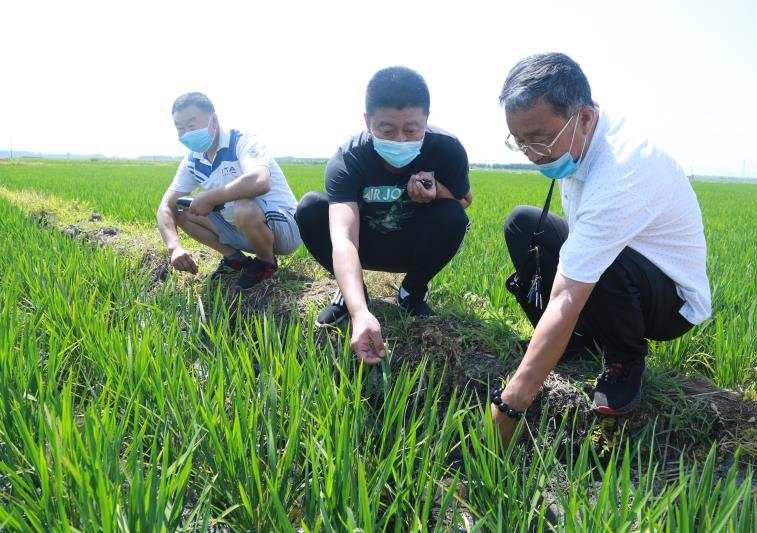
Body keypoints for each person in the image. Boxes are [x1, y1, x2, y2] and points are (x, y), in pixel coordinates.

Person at [490, 53, 712, 441]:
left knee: (603, 261)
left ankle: (625, 360)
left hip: (669, 301)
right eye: (520, 141)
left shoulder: (621, 172)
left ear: (585, 117)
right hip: (621, 268)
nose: (531, 154)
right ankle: (576, 342)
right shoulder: (577, 145)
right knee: (525, 225)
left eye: (540, 139)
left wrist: (511, 403)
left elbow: (567, 294)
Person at [295, 66, 473, 364]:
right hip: (366, 243)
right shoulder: (349, 158)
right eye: (387, 130)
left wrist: (435, 191)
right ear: (367, 121)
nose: (401, 140)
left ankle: (411, 293)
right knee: (311, 208)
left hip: (411, 244)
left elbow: (464, 199)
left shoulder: (447, 149)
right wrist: (359, 311)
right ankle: (353, 293)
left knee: (453, 215)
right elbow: (343, 239)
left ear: (426, 120)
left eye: (412, 129)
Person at [156, 92, 301, 290]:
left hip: (284, 230)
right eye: (180, 128)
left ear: (213, 120)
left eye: (191, 125)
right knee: (181, 212)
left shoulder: (242, 141)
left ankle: (266, 263)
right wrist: (174, 247)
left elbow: (259, 181)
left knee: (243, 206)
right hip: (243, 230)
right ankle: (236, 260)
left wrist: (210, 197)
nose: (186, 134)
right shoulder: (193, 160)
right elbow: (165, 205)